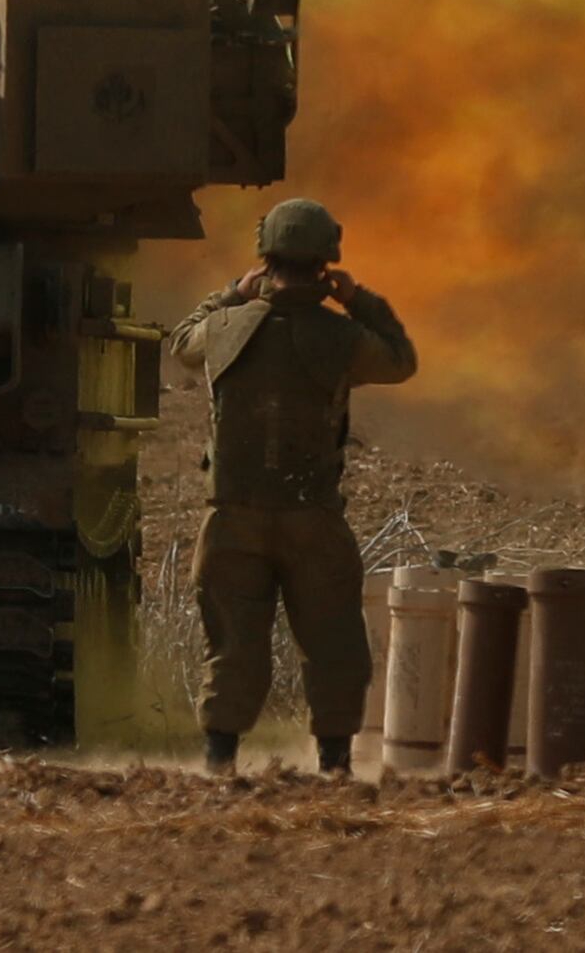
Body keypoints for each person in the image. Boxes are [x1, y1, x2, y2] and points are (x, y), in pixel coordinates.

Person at [167, 197, 415, 774]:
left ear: (265, 257)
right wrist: (356, 298)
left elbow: (181, 343)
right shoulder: (343, 337)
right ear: (326, 261)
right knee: (333, 646)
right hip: (311, 517)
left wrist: (233, 292)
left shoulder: (224, 328)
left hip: (232, 517)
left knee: (232, 646)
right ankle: (334, 767)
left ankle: (219, 765)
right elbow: (401, 359)